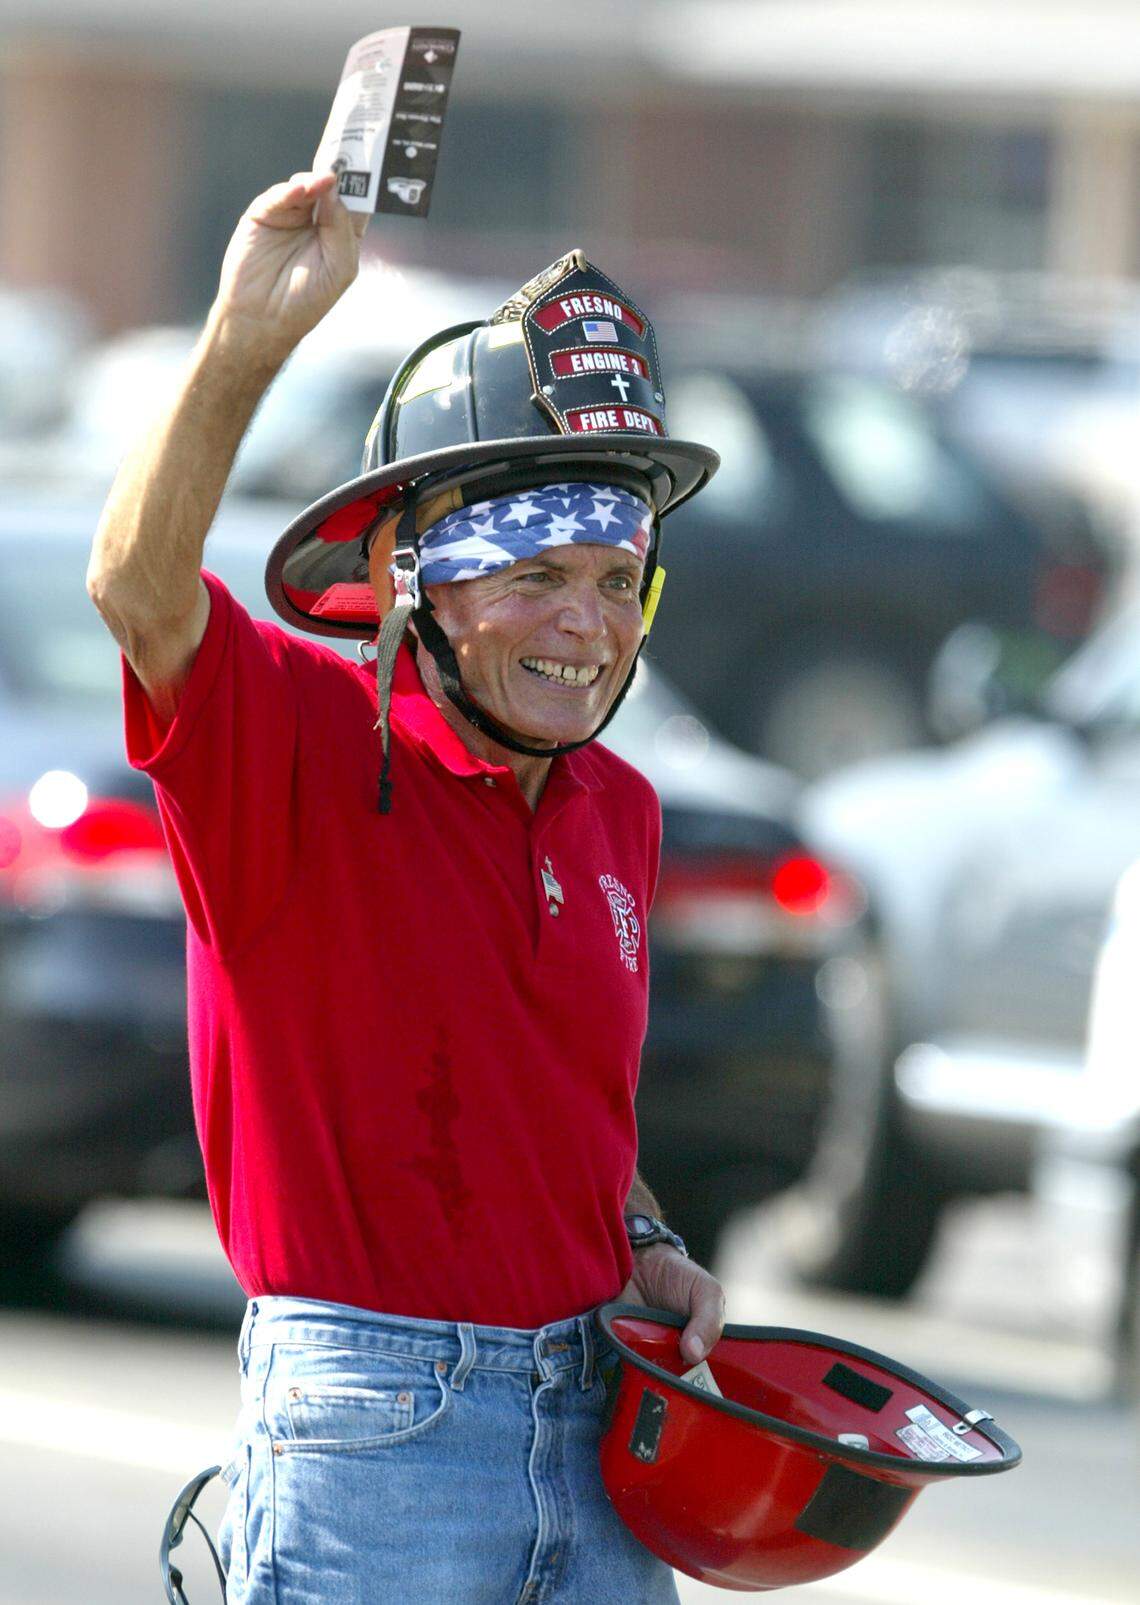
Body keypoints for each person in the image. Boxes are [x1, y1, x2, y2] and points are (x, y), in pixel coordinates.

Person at [87, 168, 725, 1604]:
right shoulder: (296, 743)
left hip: (605, 1418)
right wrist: (248, 339)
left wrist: (645, 1240)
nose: (588, 622)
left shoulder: (618, 805)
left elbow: (546, 1090)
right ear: (409, 572)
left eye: (621, 579)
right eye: (536, 570)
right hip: (376, 1438)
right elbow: (136, 584)